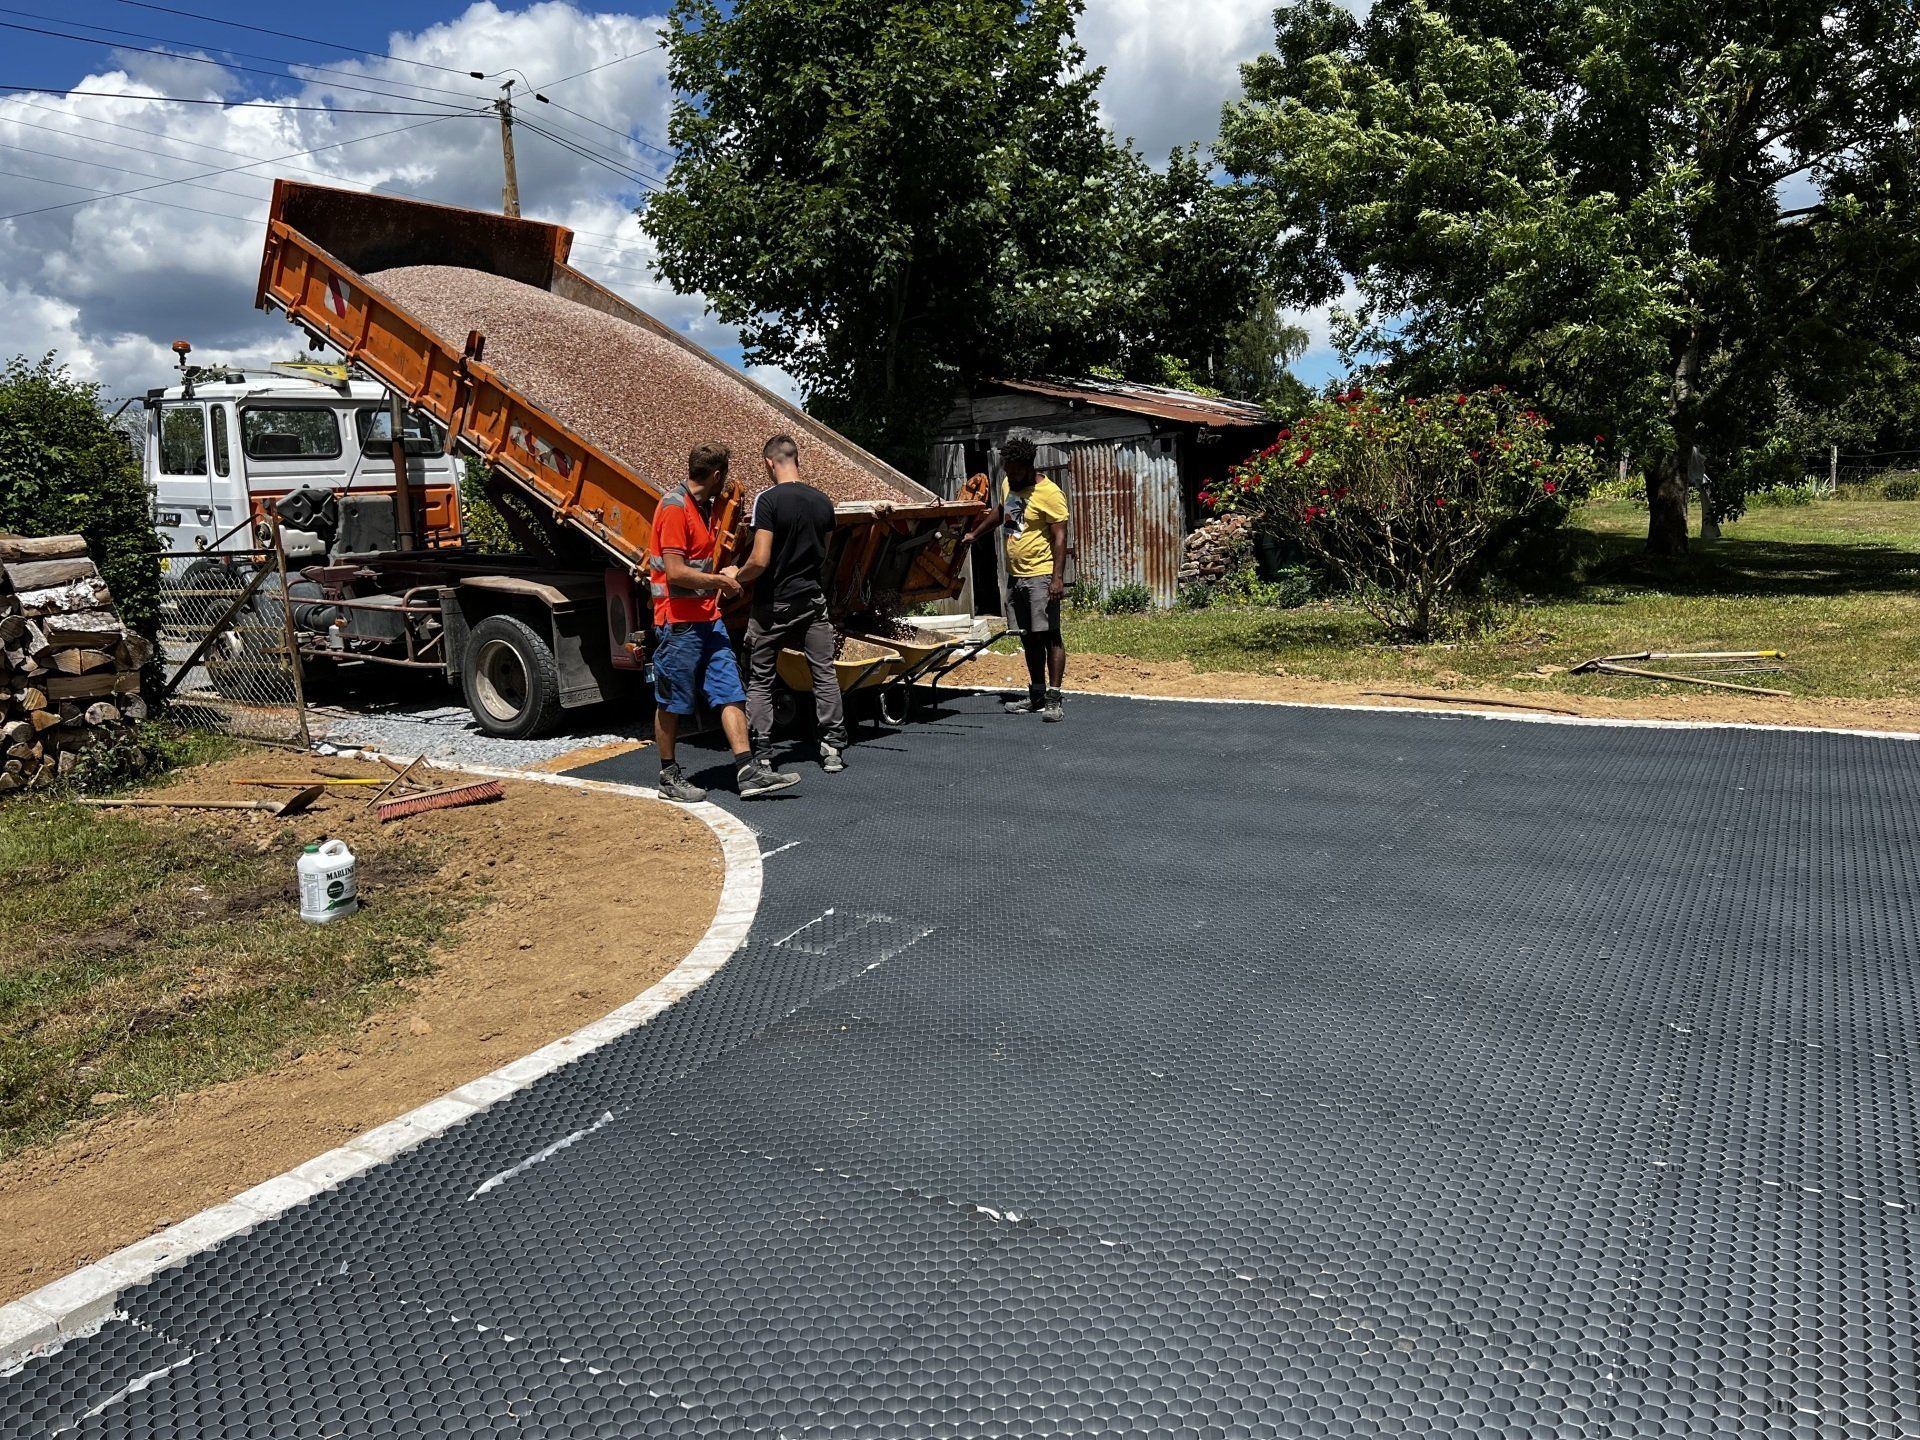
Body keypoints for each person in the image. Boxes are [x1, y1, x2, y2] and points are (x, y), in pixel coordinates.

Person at [648, 442, 801, 802]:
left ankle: (747, 770)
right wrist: (720, 581)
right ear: (716, 475)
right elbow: (674, 571)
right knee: (672, 701)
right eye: (725, 476)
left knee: (730, 690)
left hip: (707, 618)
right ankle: (668, 776)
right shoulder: (674, 508)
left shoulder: (704, 508)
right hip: (678, 623)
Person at [728, 434, 848, 773]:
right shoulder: (824, 502)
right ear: (797, 458)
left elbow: (761, 559)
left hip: (773, 604)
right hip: (812, 599)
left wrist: (735, 575)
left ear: (769, 462)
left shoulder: (767, 501)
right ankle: (832, 748)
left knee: (760, 677)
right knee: (823, 673)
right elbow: (823, 552)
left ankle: (763, 753)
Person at [964, 436, 1068, 721]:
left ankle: (1054, 699)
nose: (1009, 476)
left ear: (1028, 466)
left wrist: (1057, 579)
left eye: (1015, 471)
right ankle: (1036, 696)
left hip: (1041, 576)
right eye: (1007, 471)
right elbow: (1002, 511)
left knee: (1049, 636)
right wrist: (975, 534)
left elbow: (1060, 537)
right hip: (1015, 576)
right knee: (1028, 638)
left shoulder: (1050, 493)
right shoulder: (1009, 484)